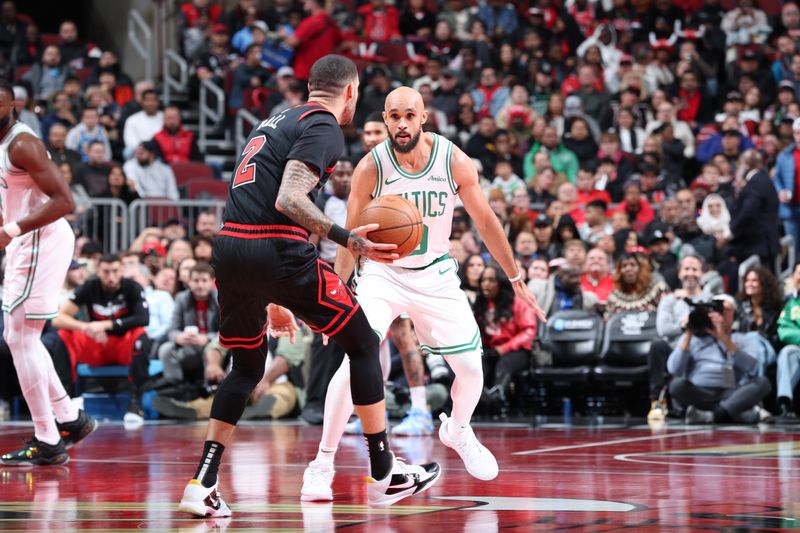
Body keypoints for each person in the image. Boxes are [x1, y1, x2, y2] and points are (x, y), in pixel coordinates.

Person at [178, 55, 440, 518]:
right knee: (362, 342)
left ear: (311, 85)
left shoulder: (273, 120)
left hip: (230, 248)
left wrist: (272, 297)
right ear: (352, 92)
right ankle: (384, 473)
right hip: (277, 249)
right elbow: (289, 199)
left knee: (245, 368)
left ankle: (202, 482)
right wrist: (347, 237)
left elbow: (259, 199)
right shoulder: (325, 126)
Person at [300, 86, 544, 502]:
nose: (400, 124)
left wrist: (516, 276)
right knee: (352, 363)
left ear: (424, 117)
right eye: (393, 117)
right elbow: (348, 239)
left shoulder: (453, 160)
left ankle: (458, 429)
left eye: (409, 116)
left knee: (470, 369)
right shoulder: (370, 167)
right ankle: (321, 464)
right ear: (385, 118)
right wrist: (338, 296)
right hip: (382, 274)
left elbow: (485, 221)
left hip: (435, 276)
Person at [0, 80, 97, 466]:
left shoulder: (22, 144)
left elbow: (64, 201)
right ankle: (69, 420)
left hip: (40, 238)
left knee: (20, 337)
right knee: (21, 337)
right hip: (27, 238)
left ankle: (49, 436)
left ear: (11, 104)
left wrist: (9, 231)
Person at [55, 253, 152, 425]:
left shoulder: (132, 287)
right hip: (97, 344)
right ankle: (67, 399)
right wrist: (85, 327)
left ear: (122, 269)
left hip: (123, 345)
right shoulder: (90, 287)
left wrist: (106, 325)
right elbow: (58, 318)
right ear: (98, 271)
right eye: (106, 272)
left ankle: (135, 403)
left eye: (115, 271)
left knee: (140, 335)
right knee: (64, 334)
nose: (111, 277)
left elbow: (143, 318)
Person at [668, 295, 771, 424]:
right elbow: (674, 369)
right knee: (676, 385)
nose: (720, 314)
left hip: (730, 392)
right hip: (700, 393)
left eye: (726, 310)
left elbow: (750, 366)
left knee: (763, 383)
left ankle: (712, 416)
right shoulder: (694, 339)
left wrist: (722, 336)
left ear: (734, 315)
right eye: (715, 311)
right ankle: (734, 413)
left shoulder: (743, 338)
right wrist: (688, 333)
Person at [475, 265, 538, 411]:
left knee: (503, 367)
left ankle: (498, 400)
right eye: (483, 280)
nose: (486, 284)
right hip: (489, 349)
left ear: (501, 283)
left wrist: (504, 348)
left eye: (491, 280)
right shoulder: (479, 305)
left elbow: (529, 330)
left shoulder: (518, 303)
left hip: (517, 350)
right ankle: (480, 400)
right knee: (477, 366)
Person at [157, 262, 219, 389]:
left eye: (204, 280)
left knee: (217, 350)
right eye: (196, 280)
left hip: (213, 346)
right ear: (189, 282)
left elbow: (227, 331)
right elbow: (172, 329)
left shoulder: (220, 298)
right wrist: (179, 337)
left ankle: (212, 388)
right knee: (166, 349)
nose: (200, 285)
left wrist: (207, 338)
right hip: (188, 346)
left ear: (212, 282)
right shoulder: (181, 298)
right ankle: (176, 387)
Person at [605, 252, 669, 318]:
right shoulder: (614, 297)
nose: (628, 269)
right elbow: (609, 321)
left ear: (641, 268)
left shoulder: (657, 290)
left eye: (633, 265)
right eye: (624, 266)